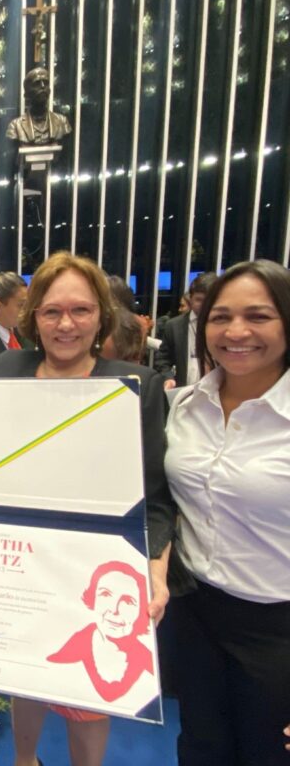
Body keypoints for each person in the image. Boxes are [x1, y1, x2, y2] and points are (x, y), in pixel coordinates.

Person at [0, 252, 175, 766]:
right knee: (25, 671)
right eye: (51, 312)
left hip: (95, 561)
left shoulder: (136, 385)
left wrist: (155, 569)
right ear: (33, 318)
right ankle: (26, 761)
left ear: (100, 317)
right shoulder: (6, 370)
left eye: (81, 311)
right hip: (22, 554)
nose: (66, 324)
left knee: (90, 690)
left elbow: (155, 497)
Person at [164, 259, 290, 766]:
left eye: (258, 316)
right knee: (200, 748)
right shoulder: (184, 407)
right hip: (194, 612)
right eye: (221, 317)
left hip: (278, 630)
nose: (236, 332)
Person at [47, 561, 154, 705]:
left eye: (128, 601)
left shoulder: (147, 660)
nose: (114, 609)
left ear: (141, 609)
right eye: (106, 594)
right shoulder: (70, 646)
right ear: (93, 598)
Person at [154, 272, 217, 389]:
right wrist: (168, 377)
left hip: (219, 392)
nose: (204, 305)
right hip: (184, 392)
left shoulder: (225, 326)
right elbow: (162, 359)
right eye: (199, 300)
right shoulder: (174, 326)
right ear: (190, 299)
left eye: (209, 300)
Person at [6, 67, 72, 146]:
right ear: (26, 95)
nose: (43, 86)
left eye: (46, 83)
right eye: (37, 84)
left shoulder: (62, 122)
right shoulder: (15, 126)